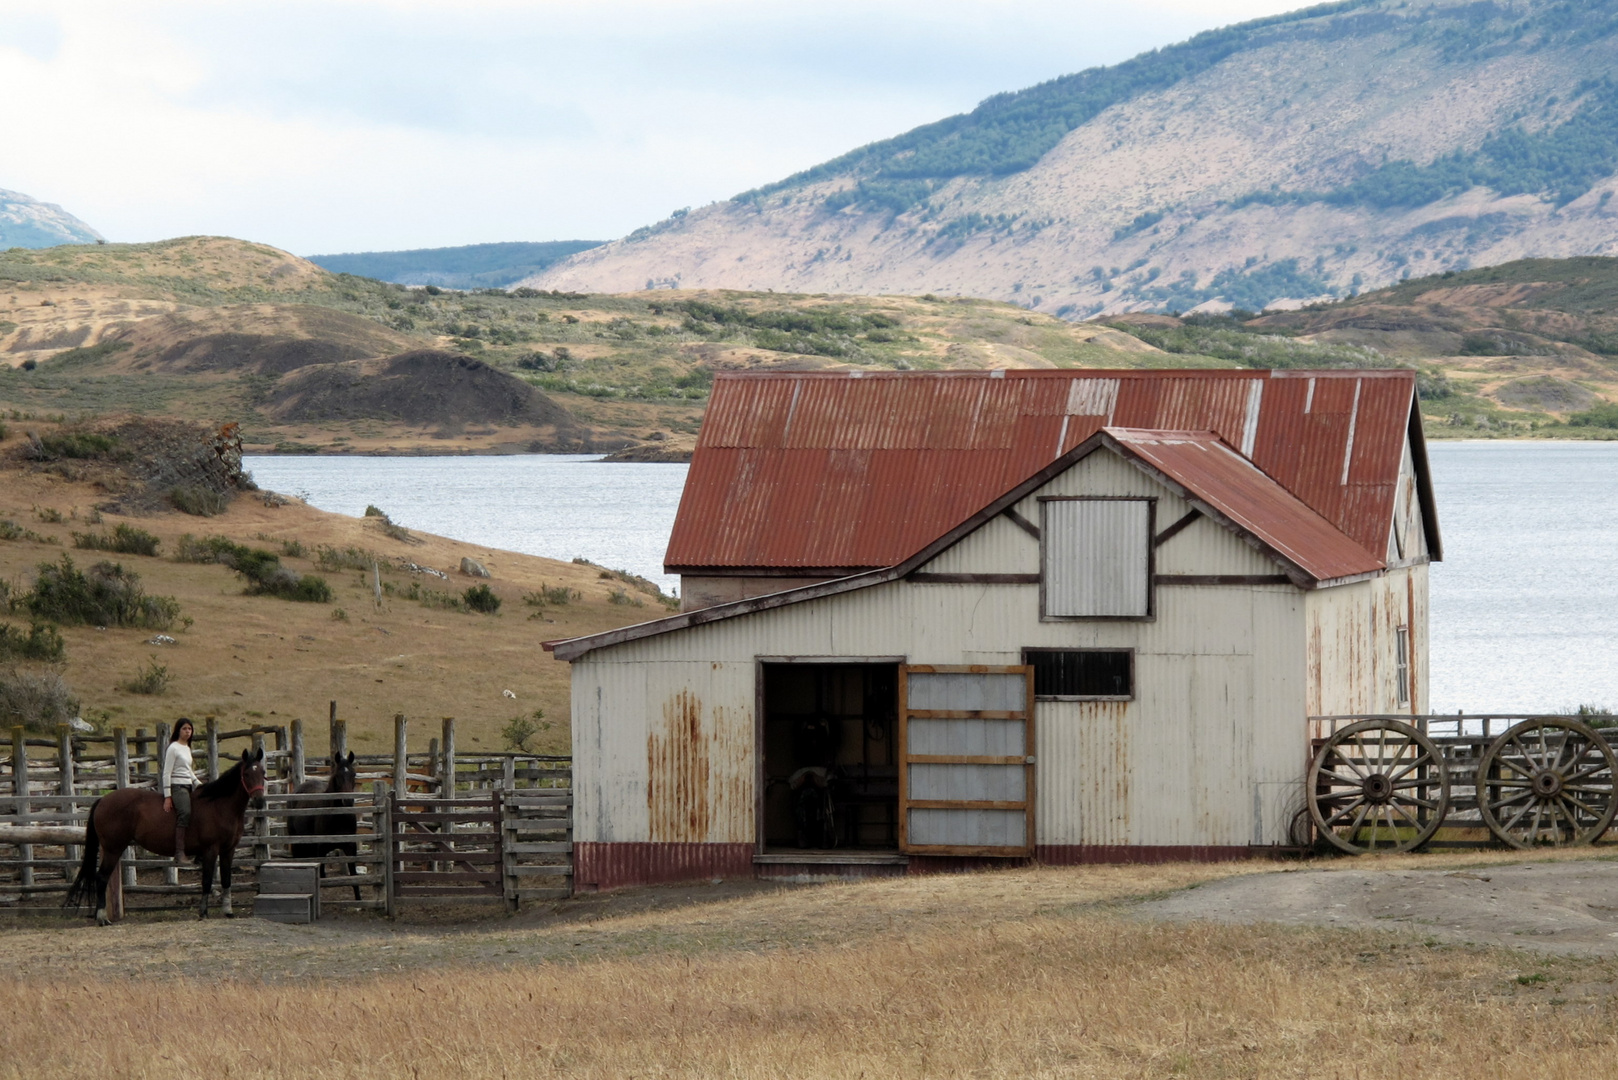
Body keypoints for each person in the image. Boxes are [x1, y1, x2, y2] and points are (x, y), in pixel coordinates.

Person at [162, 718, 197, 867]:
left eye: (189, 729)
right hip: (177, 787)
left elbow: (189, 771)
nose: (187, 731)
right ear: (178, 730)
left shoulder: (187, 748)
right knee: (185, 812)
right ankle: (179, 852)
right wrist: (167, 796)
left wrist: (198, 784)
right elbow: (166, 772)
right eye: (184, 728)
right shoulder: (173, 748)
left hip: (188, 785)